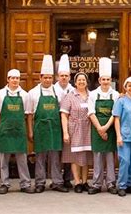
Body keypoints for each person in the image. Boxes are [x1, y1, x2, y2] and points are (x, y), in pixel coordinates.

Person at [27, 55, 67, 193]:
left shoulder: (59, 93)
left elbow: (63, 112)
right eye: (45, 77)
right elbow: (30, 115)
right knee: (40, 157)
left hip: (55, 129)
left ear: (53, 78)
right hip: (40, 129)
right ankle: (40, 182)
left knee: (56, 157)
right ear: (40, 77)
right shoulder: (33, 93)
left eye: (50, 77)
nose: (48, 80)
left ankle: (57, 182)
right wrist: (31, 131)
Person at [0, 69, 34, 194]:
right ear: (8, 79)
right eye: (12, 78)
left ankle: (25, 184)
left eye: (17, 78)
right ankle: (4, 183)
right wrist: (4, 123)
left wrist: (19, 124)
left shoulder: (25, 95)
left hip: (19, 131)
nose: (15, 80)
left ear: (19, 79)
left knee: (22, 159)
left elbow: (27, 114)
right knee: (3, 159)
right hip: (5, 131)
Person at [87, 58, 119, 195]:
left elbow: (115, 113)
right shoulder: (93, 94)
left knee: (110, 157)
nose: (105, 82)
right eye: (103, 79)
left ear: (110, 80)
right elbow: (91, 113)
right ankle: (96, 183)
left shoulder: (115, 94)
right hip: (96, 128)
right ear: (99, 80)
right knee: (98, 156)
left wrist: (105, 127)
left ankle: (111, 183)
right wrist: (100, 128)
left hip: (110, 128)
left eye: (108, 79)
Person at [60, 72, 93, 193]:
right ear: (75, 82)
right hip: (74, 128)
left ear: (86, 82)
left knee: (86, 156)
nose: (81, 82)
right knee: (75, 156)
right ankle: (77, 181)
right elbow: (64, 115)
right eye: (79, 80)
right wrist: (65, 132)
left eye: (83, 80)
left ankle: (85, 181)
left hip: (88, 128)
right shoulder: (70, 96)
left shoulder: (91, 95)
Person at [54, 54, 74, 188]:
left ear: (70, 77)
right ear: (57, 77)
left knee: (69, 152)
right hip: (54, 124)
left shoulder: (74, 90)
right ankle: (56, 180)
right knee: (55, 153)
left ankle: (68, 178)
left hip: (70, 125)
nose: (64, 78)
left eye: (66, 75)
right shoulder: (52, 89)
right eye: (61, 75)